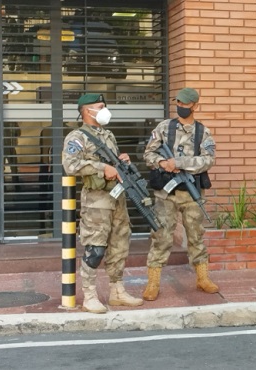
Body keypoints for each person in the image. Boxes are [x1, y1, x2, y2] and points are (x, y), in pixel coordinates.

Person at [62, 93, 143, 313]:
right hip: (96, 203)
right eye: (100, 106)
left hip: (117, 199)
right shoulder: (77, 137)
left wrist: (120, 162)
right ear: (87, 111)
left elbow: (112, 165)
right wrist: (101, 168)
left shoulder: (108, 135)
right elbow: (70, 165)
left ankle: (117, 291)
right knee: (95, 249)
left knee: (119, 246)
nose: (105, 110)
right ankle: (89, 295)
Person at [142, 87, 218, 301]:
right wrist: (162, 162)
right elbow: (148, 153)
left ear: (195, 105)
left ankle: (202, 279)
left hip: (191, 193)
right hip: (166, 194)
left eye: (186, 104)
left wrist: (181, 163)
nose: (181, 107)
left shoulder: (203, 132)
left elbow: (208, 160)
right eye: (179, 103)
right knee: (161, 237)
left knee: (196, 236)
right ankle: (153, 283)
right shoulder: (165, 127)